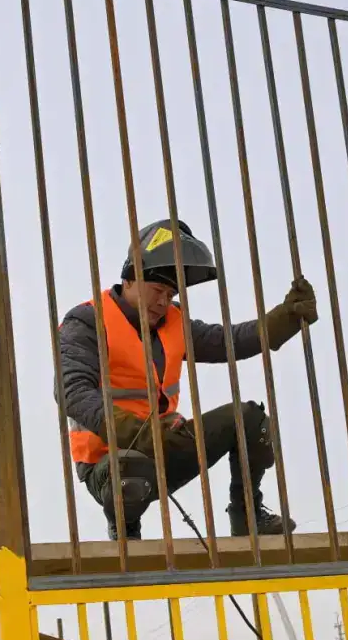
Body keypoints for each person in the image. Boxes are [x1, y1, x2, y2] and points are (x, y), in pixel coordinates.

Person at [58, 218, 318, 540]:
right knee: (131, 470)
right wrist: (134, 433)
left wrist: (287, 319)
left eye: (170, 293)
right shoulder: (86, 321)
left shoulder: (174, 322)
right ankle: (126, 529)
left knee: (249, 420)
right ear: (129, 279)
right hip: (110, 462)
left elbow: (229, 340)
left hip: (167, 443)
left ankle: (248, 516)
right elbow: (72, 391)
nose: (163, 302)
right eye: (156, 291)